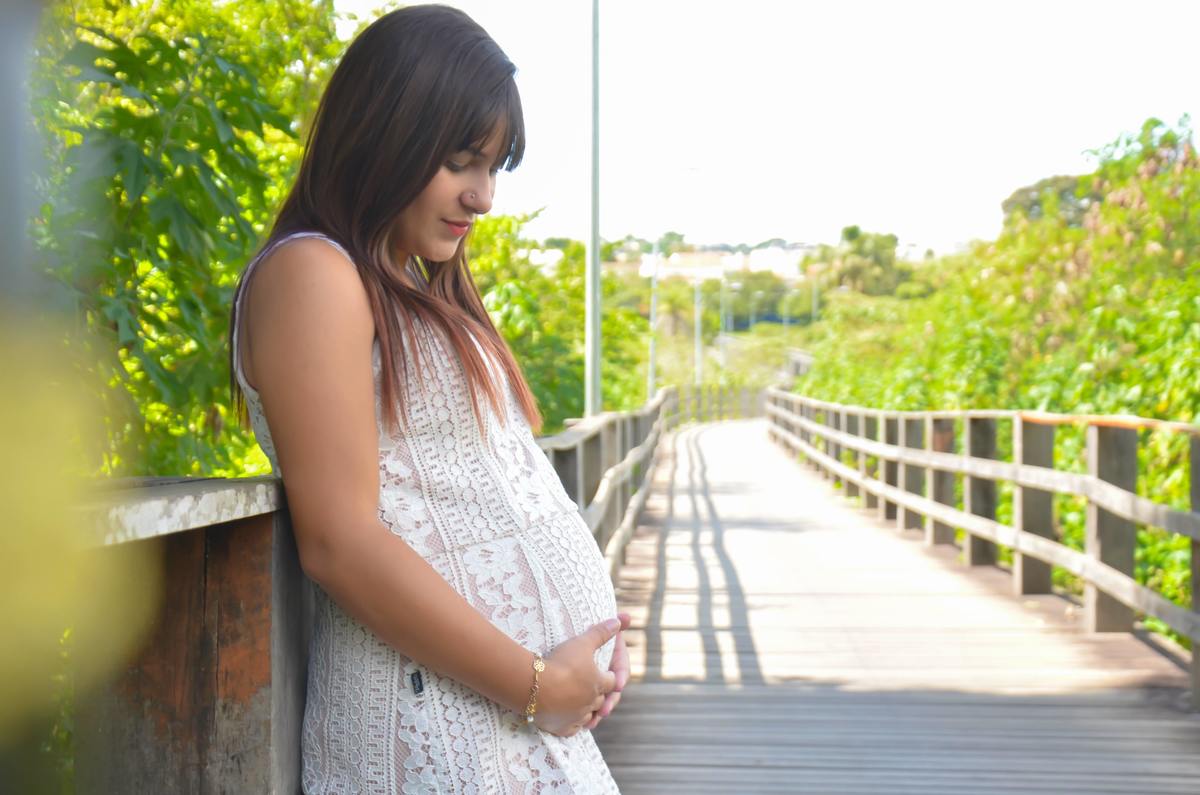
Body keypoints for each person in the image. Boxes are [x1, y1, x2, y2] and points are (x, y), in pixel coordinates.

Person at [227, 5, 630, 792]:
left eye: (495, 167)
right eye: (459, 162)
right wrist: (540, 684)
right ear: (385, 134)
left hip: (495, 722)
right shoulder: (312, 274)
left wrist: (585, 653)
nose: (483, 197)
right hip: (436, 725)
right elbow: (341, 540)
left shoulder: (401, 281)